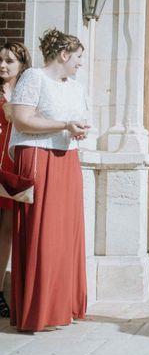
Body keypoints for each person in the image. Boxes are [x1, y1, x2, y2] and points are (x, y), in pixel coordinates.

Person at [9, 28, 90, 332]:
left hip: (67, 158)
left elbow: (75, 120)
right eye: (78, 57)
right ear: (64, 54)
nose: (80, 63)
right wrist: (64, 125)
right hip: (39, 157)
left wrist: (77, 128)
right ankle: (38, 311)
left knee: (65, 233)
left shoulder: (76, 86)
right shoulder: (34, 78)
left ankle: (62, 307)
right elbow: (22, 119)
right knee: (42, 233)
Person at [0, 42, 32, 319]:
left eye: (9, 61)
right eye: (1, 60)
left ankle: (0, 292)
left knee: (7, 232)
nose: (3, 65)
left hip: (11, 166)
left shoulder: (26, 91)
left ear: (22, 64)